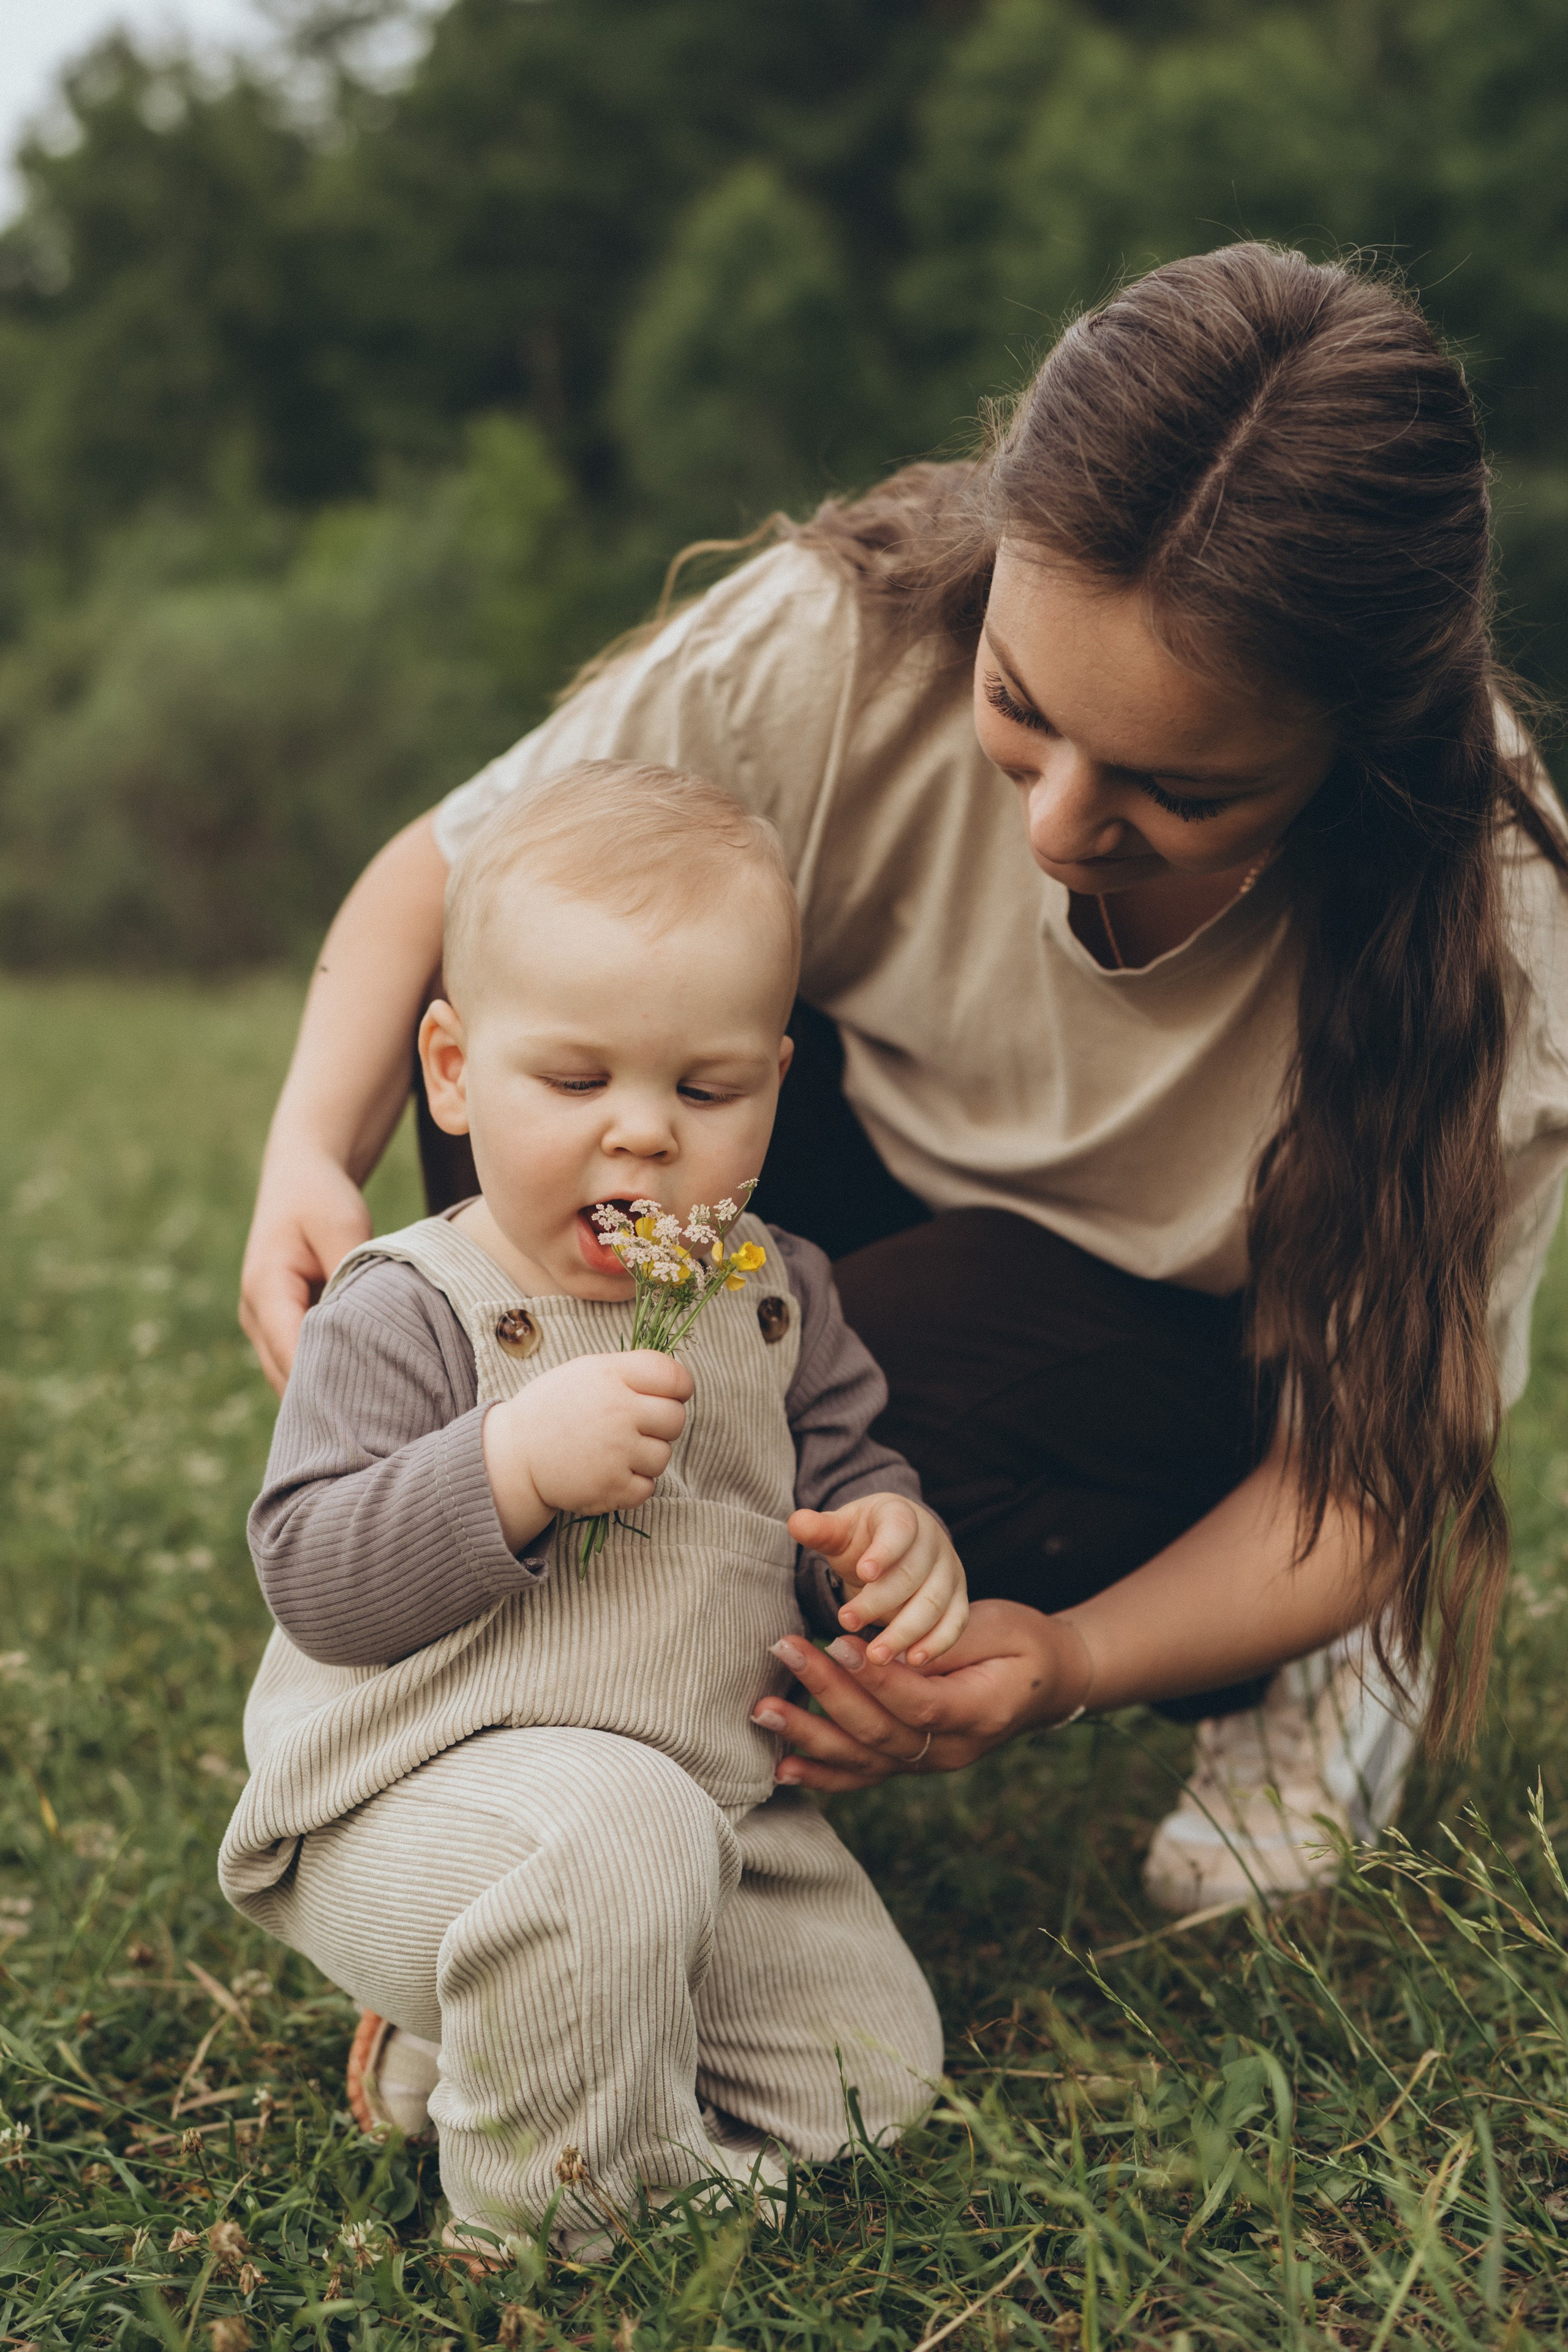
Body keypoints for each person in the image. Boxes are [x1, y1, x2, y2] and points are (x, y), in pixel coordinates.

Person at [238, 241, 1568, 1912]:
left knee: (838, 1438)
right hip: (856, 1154)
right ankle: (530, 1733)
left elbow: (1367, 1474)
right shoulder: (851, 629)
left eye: (1177, 789)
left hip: (1177, 1360)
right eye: (1020, 708)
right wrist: (309, 1147)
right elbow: (453, 878)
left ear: (1353, 749)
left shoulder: (1490, 925)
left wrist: (1062, 1652)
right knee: (557, 1042)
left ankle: (1298, 1669)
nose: (1057, 827)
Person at [219, 761, 965, 2253]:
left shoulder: (775, 1299)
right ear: (451, 1070)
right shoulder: (411, 1306)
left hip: (709, 1814)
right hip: (413, 1803)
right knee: (615, 1837)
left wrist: (887, 1544)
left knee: (874, 2077)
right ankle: (539, 2234)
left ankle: (546, 2091)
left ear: (772, 1082)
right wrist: (506, 1469)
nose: (643, 1135)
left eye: (704, 1089)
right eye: (576, 1082)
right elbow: (312, 1572)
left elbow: (827, 1484)